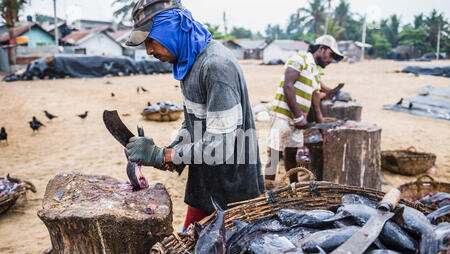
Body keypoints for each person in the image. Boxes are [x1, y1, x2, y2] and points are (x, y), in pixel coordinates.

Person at [124, 0, 265, 231]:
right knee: (189, 247)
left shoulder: (215, 66)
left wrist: (163, 154)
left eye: (150, 40)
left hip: (234, 192)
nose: (148, 51)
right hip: (205, 183)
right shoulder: (187, 61)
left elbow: (221, 147)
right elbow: (193, 123)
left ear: (170, 28)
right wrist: (170, 153)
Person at [264, 35, 344, 188]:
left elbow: (316, 106)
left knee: (292, 156)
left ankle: (294, 189)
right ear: (321, 49)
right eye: (331, 55)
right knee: (274, 157)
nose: (331, 60)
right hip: (282, 117)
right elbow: (288, 86)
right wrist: (299, 116)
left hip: (297, 122)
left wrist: (323, 131)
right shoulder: (299, 59)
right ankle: (267, 193)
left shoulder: (315, 73)